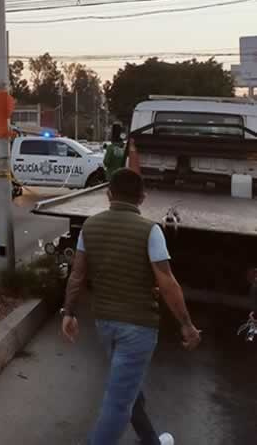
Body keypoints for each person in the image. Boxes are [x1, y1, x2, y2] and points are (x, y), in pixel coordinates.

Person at [60, 168, 200, 445]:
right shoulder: (150, 231)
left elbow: (77, 274)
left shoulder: (89, 227)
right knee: (118, 405)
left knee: (128, 388)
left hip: (104, 324)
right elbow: (168, 283)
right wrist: (186, 324)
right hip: (138, 328)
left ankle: (150, 440)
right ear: (142, 197)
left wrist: (69, 312)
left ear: (108, 194)